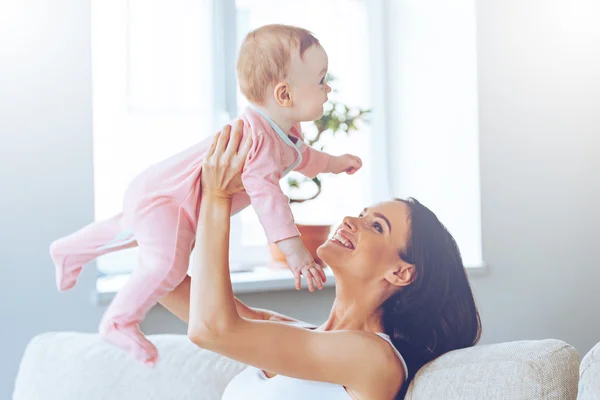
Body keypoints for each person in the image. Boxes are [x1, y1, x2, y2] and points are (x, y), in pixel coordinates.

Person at [48, 24, 362, 366]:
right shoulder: (257, 140)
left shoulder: (282, 135)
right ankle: (119, 320)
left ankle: (69, 251)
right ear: (284, 95)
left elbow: (305, 157)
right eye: (321, 81)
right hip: (166, 201)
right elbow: (268, 197)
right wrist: (295, 251)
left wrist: (336, 163)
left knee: (124, 229)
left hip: (162, 193)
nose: (328, 89)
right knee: (167, 265)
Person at [159, 123, 482, 399]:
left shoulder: (372, 356)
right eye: (361, 214)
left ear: (400, 272)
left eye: (376, 226)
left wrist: (218, 198)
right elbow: (159, 283)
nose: (350, 221)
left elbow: (211, 330)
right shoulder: (288, 331)